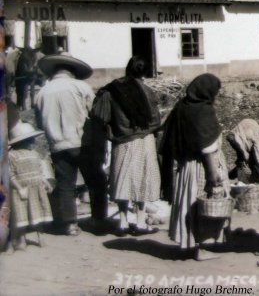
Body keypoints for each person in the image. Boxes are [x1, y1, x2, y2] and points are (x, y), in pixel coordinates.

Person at [161, 73, 229, 261]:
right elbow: (207, 148)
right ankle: (203, 247)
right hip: (202, 167)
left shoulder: (183, 107)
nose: (217, 95)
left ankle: (189, 244)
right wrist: (213, 174)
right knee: (205, 203)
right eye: (216, 92)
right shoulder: (204, 112)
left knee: (189, 205)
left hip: (186, 167)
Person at [92, 56, 161, 236]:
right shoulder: (147, 91)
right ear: (145, 73)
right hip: (143, 141)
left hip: (121, 142)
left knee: (122, 180)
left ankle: (122, 222)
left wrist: (112, 131)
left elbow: (100, 116)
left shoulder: (111, 90)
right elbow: (156, 121)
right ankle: (139, 222)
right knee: (142, 180)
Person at [34, 53, 95, 236]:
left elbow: (38, 122)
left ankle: (70, 224)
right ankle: (98, 218)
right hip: (82, 141)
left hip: (57, 143)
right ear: (73, 71)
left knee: (65, 184)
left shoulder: (42, 92)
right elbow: (94, 113)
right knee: (94, 180)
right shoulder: (81, 87)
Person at [8, 122, 54, 250]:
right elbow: (11, 175)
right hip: (23, 188)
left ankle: (39, 237)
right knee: (23, 214)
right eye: (31, 139)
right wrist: (19, 188)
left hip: (35, 186)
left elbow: (40, 172)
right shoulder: (12, 155)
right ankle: (24, 240)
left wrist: (45, 183)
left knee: (35, 212)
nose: (33, 141)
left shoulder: (34, 154)